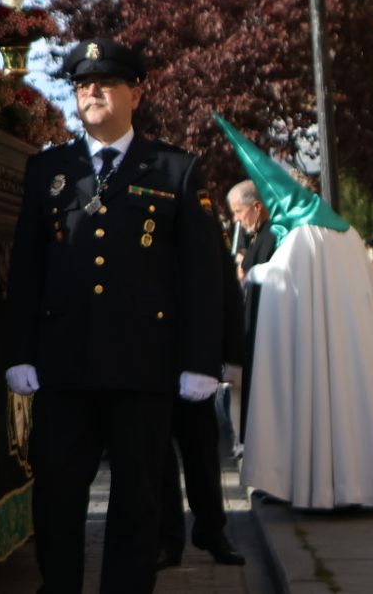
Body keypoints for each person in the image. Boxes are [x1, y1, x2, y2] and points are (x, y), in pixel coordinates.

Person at [5, 39, 222, 594]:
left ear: (136, 94)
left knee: (138, 500)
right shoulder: (49, 170)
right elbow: (27, 268)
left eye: (105, 83)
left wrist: (200, 360)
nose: (92, 92)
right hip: (64, 366)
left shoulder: (174, 169)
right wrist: (20, 352)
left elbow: (201, 275)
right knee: (56, 496)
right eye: (83, 85)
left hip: (142, 366)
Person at [217, 115, 373, 509]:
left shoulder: (301, 236)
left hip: (314, 349)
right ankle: (366, 485)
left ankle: (319, 487)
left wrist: (252, 273)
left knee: (314, 407)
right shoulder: (347, 232)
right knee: (355, 404)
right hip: (352, 348)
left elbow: (276, 278)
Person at [159, 231, 247, 568]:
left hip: (193, 357)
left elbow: (225, 286)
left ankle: (211, 529)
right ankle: (167, 538)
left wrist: (232, 354)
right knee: (157, 456)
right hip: (151, 357)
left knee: (203, 452)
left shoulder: (199, 222)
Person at [229, 179, 275, 445]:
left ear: (256, 207)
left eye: (238, 211)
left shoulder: (273, 236)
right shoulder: (259, 237)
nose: (236, 219)